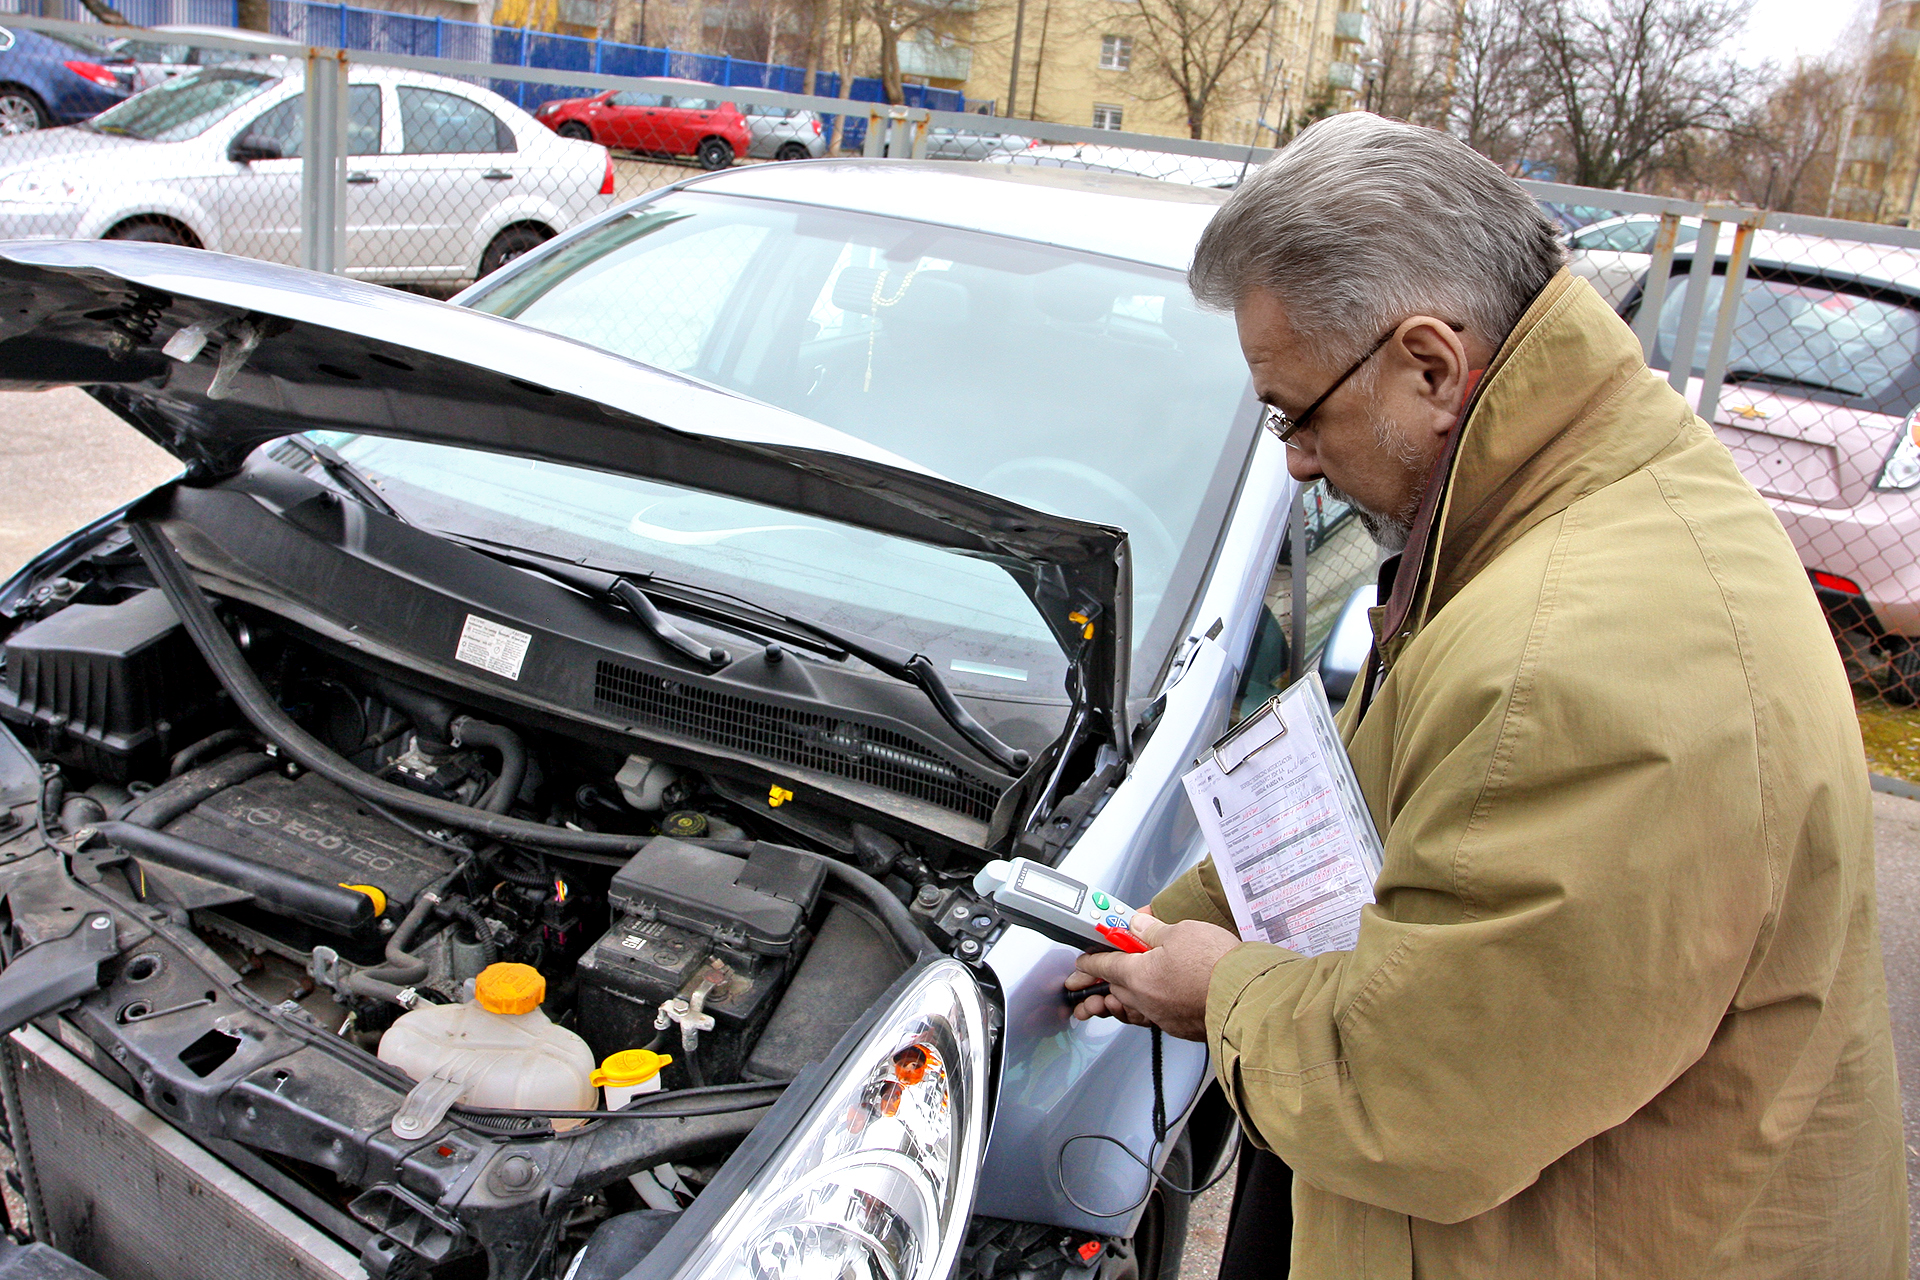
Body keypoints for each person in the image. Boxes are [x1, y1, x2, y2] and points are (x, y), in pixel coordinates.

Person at [1066, 112, 1908, 1278]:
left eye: (1295, 414)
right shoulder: (1554, 493)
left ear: (1429, 365)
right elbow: (1399, 795)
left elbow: (1411, 1093)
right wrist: (1167, 912)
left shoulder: (1572, 663)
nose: (1295, 461)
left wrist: (1220, 989)